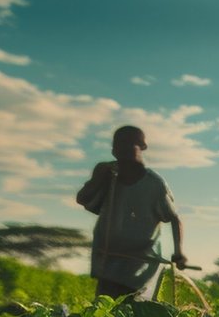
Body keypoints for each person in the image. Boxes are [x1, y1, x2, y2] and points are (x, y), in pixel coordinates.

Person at [76, 125, 187, 299]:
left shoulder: (153, 184)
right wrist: (98, 178)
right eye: (118, 145)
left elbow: (174, 218)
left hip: (140, 262)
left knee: (130, 304)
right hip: (108, 259)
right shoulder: (108, 177)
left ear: (142, 147)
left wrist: (178, 253)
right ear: (113, 150)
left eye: (129, 145)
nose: (123, 150)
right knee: (105, 306)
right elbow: (83, 198)